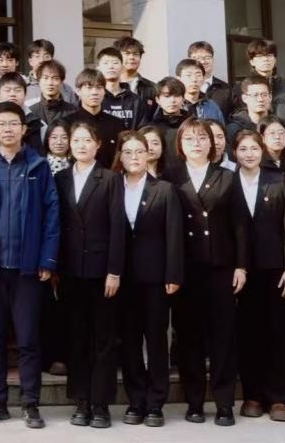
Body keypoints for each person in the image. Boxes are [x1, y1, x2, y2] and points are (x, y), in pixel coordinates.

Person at [0, 101, 59, 430]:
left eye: (13, 123)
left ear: (23, 129)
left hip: (27, 269)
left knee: (28, 339)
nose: (7, 129)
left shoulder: (38, 166)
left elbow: (52, 214)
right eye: (1, 124)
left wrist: (47, 259)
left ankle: (30, 404)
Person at [165, 118, 248, 426]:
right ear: (180, 145)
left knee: (223, 337)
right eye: (189, 139)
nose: (196, 143)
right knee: (189, 338)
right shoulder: (171, 177)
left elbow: (240, 224)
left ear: (212, 144)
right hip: (185, 269)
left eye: (202, 138)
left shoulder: (227, 176)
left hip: (220, 267)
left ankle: (224, 403)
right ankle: (195, 402)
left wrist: (241, 265)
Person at [55, 122, 124, 429]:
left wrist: (114, 271)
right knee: (77, 338)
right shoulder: (60, 178)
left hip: (101, 272)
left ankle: (101, 403)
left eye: (87, 140)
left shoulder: (110, 179)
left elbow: (118, 228)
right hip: (70, 271)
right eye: (76, 140)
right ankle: (81, 400)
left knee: (103, 339)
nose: (81, 145)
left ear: (98, 145)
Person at [115, 130, 182, 428]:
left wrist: (173, 273)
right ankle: (136, 399)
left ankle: (156, 402)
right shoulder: (112, 186)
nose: (134, 157)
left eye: (139, 151)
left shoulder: (164, 189)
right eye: (128, 152)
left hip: (156, 277)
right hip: (121, 277)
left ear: (148, 154)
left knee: (155, 339)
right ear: (120, 156)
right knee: (128, 340)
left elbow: (174, 235)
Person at [232, 129, 285, 422]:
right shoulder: (228, 182)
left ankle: (278, 398)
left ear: (263, 151)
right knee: (248, 334)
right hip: (241, 271)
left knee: (277, 332)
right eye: (243, 149)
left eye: (254, 149)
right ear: (235, 153)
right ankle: (253, 396)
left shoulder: (278, 180)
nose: (249, 154)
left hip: (275, 269)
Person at [68, 69, 124, 167]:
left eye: (99, 87)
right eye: (89, 87)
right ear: (78, 91)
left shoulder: (117, 123)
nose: (94, 92)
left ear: (104, 91)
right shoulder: (68, 122)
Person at [98, 47, 145, 129]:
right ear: (98, 68)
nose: (111, 66)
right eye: (106, 63)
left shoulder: (135, 101)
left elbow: (142, 129)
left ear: (122, 68)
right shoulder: (95, 98)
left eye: (115, 63)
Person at [187, 41, 232, 117]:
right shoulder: (181, 88)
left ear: (213, 59)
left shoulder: (225, 88)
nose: (203, 61)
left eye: (207, 58)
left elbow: (235, 115)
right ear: (189, 61)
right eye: (198, 58)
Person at [175, 58, 225, 125]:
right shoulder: (173, 104)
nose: (194, 79)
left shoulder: (211, 106)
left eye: (198, 75)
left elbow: (220, 129)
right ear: (178, 79)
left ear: (204, 79)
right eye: (188, 75)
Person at [227, 74, 275, 142]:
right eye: (255, 95)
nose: (260, 99)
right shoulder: (234, 129)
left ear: (270, 97)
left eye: (264, 95)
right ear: (244, 98)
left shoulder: (278, 125)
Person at [114, 37, 156, 114]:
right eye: (127, 53)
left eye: (136, 54)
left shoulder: (152, 88)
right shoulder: (107, 85)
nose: (132, 57)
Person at [30, 60, 75, 133]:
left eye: (55, 78)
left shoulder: (73, 111)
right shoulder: (31, 112)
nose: (50, 83)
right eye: (45, 78)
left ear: (61, 82)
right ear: (39, 81)